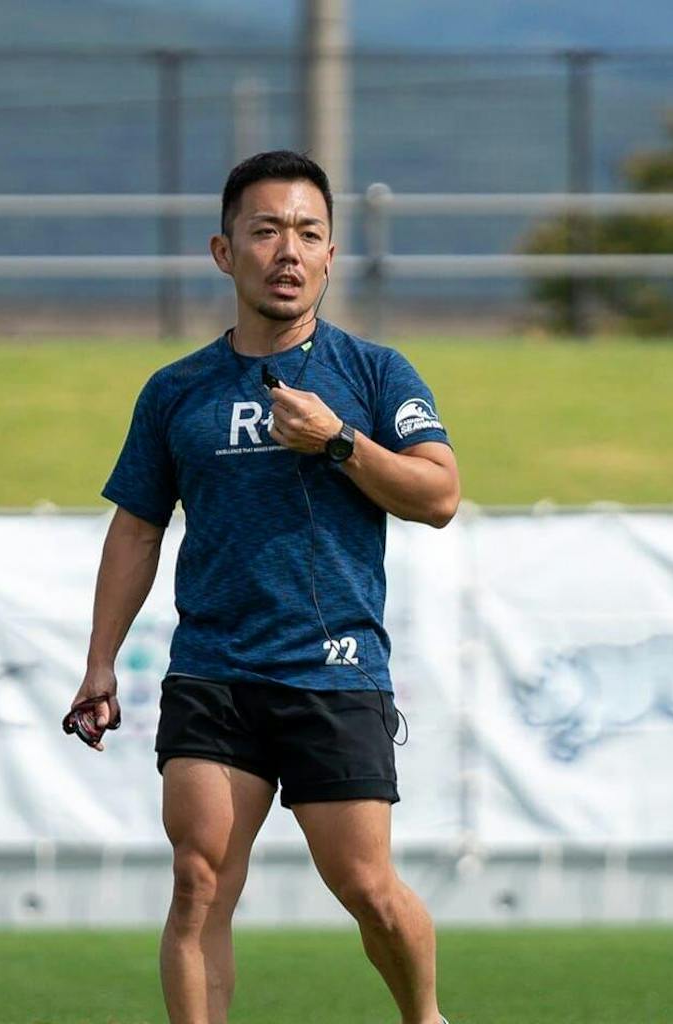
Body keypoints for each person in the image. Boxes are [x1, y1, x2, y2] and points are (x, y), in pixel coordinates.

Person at [68, 150, 459, 1024]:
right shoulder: (176, 391)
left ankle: (425, 1017)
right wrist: (99, 663)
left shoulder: (375, 373)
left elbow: (439, 497)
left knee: (366, 885)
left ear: (331, 256)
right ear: (224, 251)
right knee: (197, 880)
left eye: (309, 234)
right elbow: (136, 528)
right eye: (267, 231)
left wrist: (339, 441)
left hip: (335, 669)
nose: (289, 251)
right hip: (213, 671)